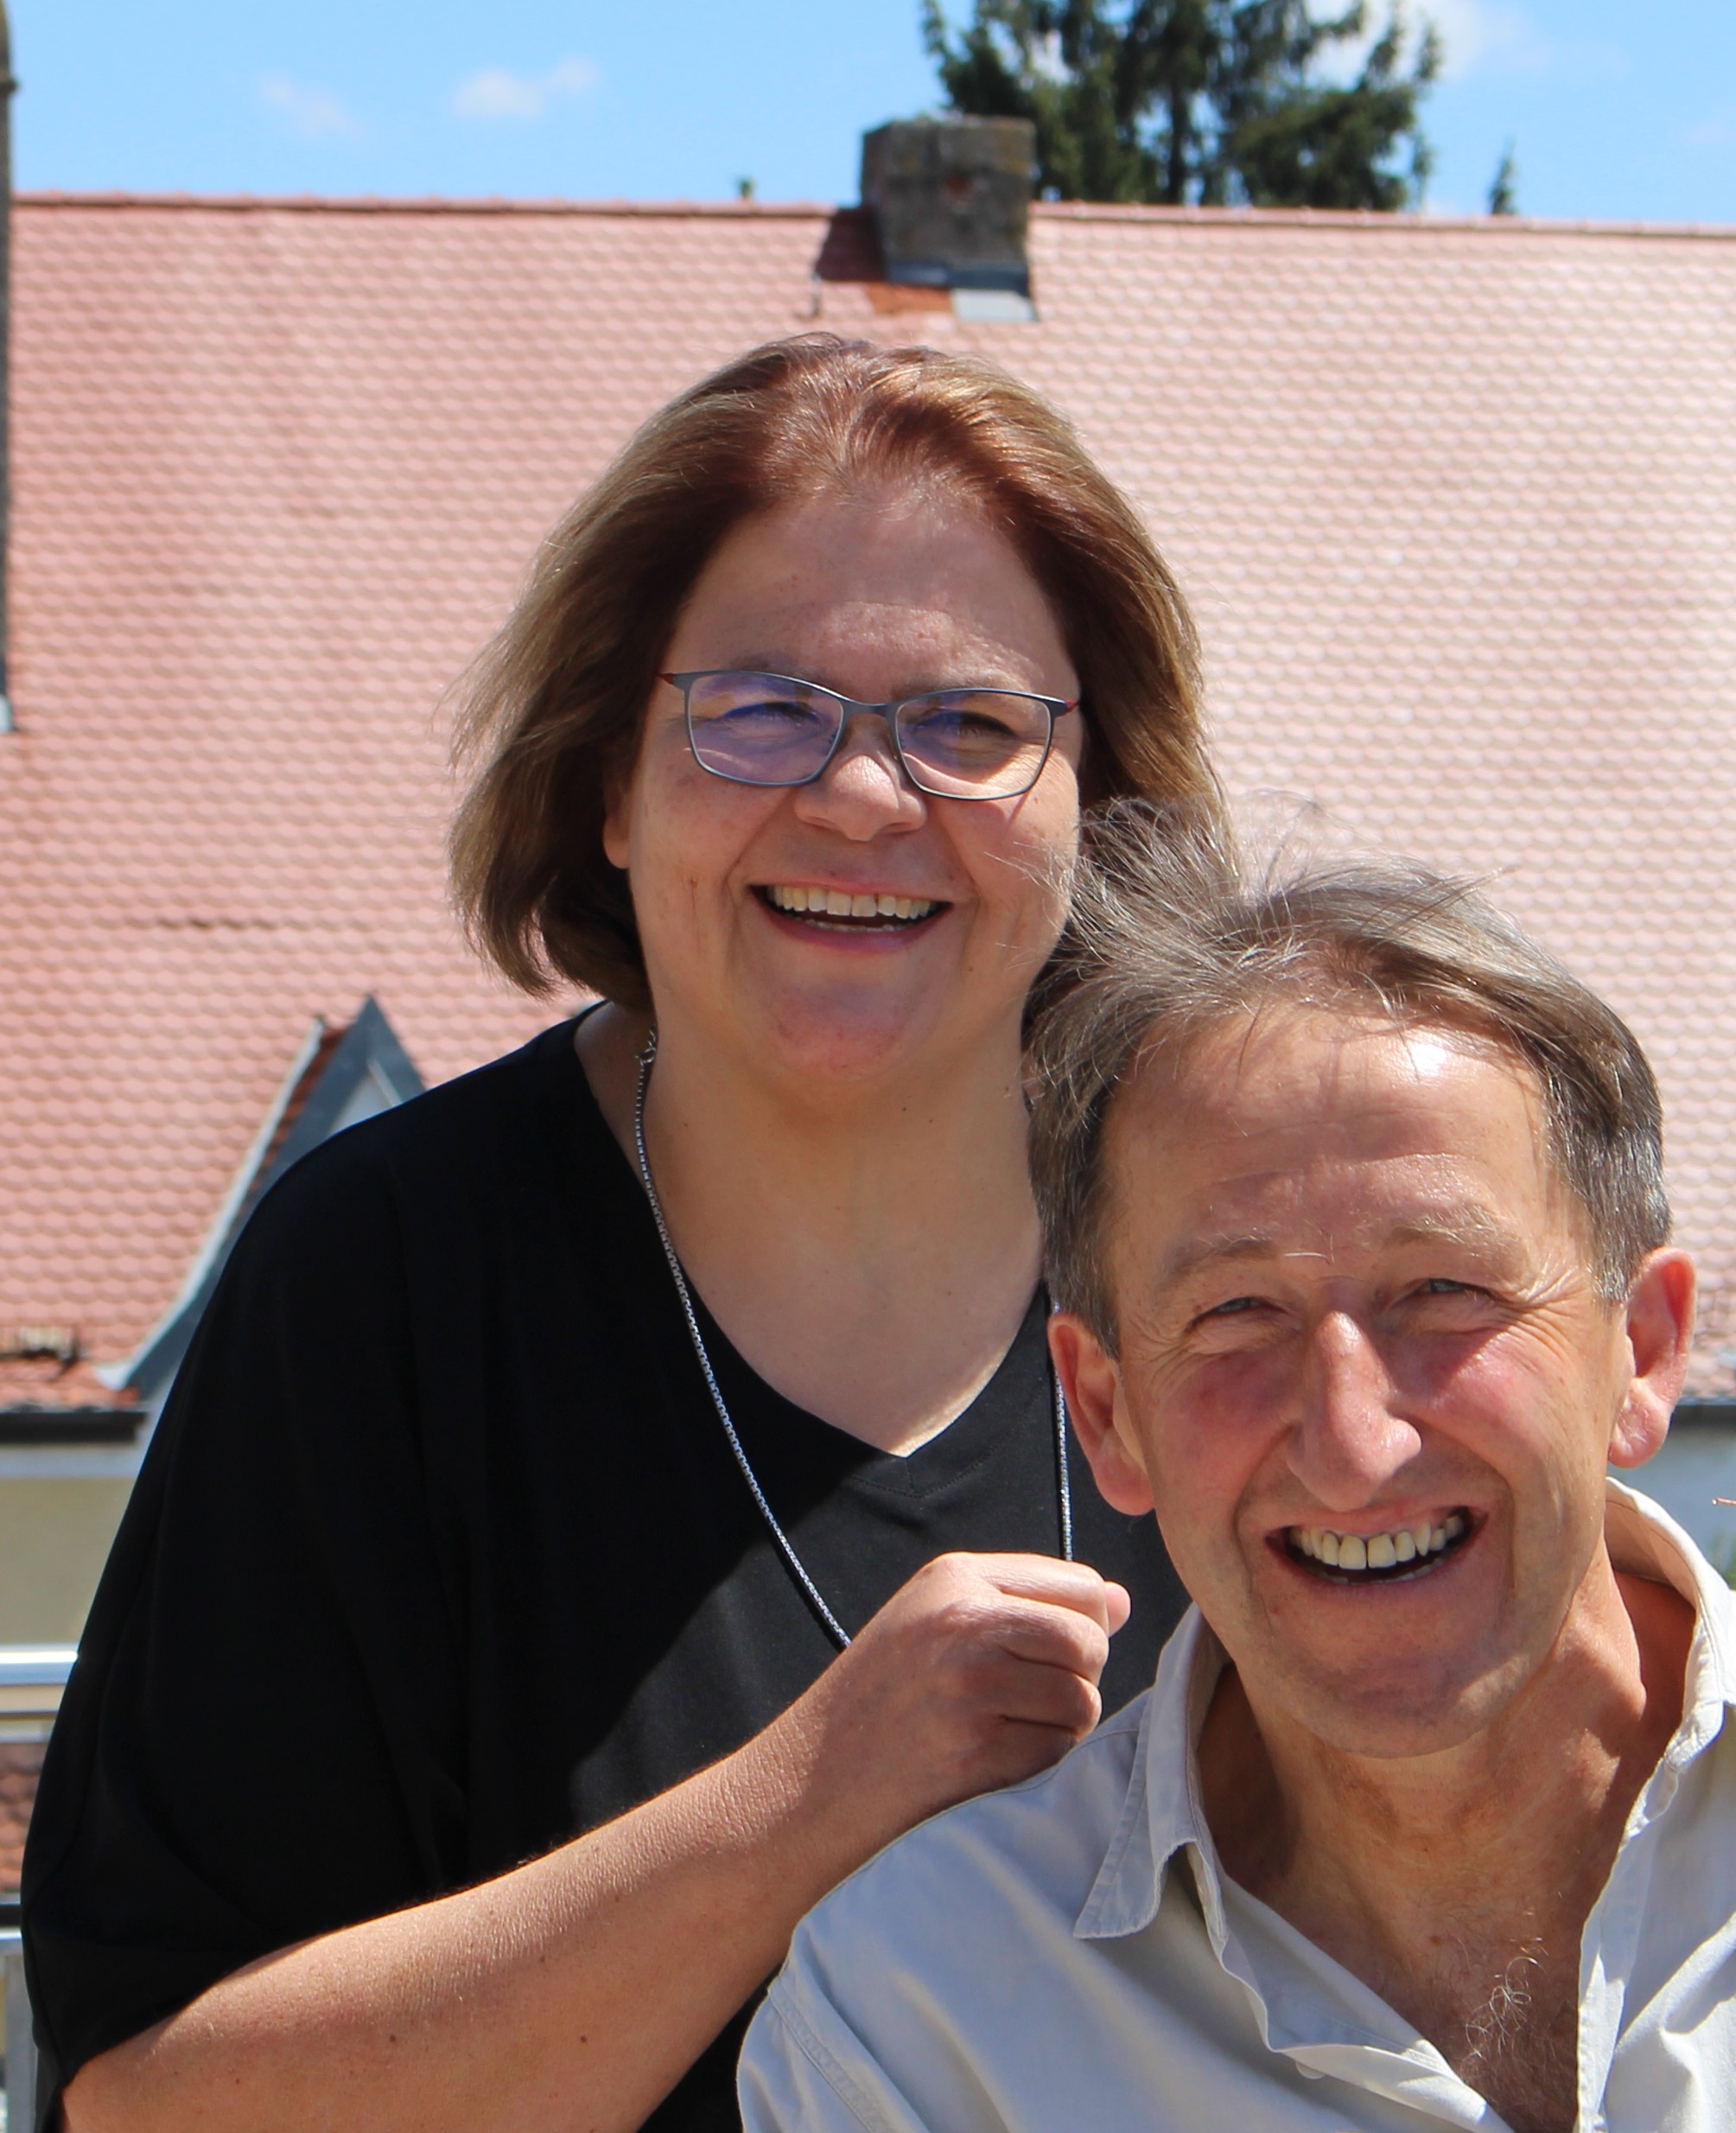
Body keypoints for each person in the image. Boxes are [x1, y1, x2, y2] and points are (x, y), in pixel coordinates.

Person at [23, 338, 1215, 2133]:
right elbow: (141, 2103)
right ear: (607, 783)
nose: (863, 799)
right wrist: (801, 1805)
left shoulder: (1243, 1278)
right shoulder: (382, 1294)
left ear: (1100, 813)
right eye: (758, 710)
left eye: (968, 726)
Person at [740, 828, 1736, 2133]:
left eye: (1445, 1293)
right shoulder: (922, 2026)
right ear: (1108, 1413)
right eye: (1236, 1315)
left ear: (1639, 1355)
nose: (1354, 1440)